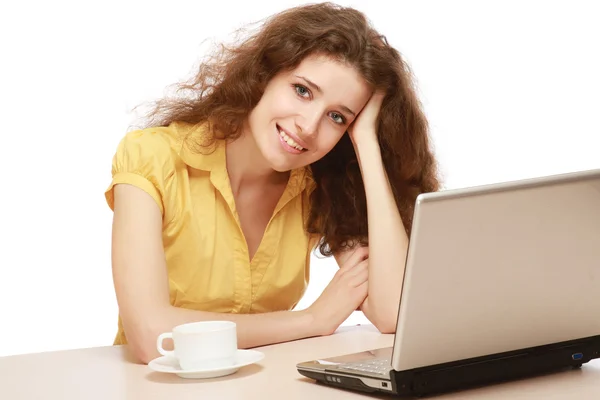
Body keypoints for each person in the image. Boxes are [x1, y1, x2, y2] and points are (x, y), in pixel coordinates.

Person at [105, 2, 440, 364]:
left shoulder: (318, 185)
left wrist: (367, 142)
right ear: (264, 75)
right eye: (302, 90)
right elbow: (151, 336)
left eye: (337, 116)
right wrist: (311, 320)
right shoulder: (153, 157)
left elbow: (392, 312)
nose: (309, 126)